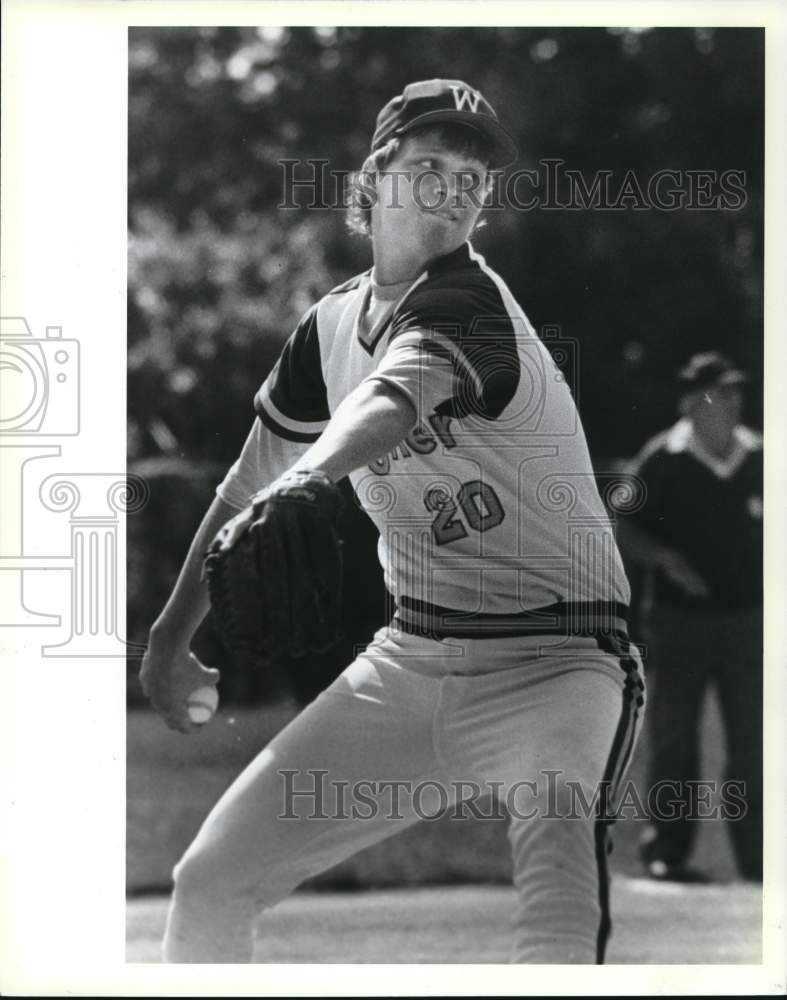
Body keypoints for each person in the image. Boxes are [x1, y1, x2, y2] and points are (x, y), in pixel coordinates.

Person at [140, 78, 645, 964]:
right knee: (210, 879)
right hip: (409, 661)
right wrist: (168, 637)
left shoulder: (472, 305)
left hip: (557, 662)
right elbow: (241, 487)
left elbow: (393, 396)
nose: (454, 190)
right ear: (376, 174)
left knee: (558, 889)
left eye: (472, 178)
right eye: (431, 166)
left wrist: (310, 478)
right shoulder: (329, 326)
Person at [618, 351, 763, 882]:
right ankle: (667, 851)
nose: (730, 402)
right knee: (675, 739)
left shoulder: (761, 456)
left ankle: (760, 860)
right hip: (680, 622)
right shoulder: (663, 458)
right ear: (690, 403)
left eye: (734, 392)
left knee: (755, 742)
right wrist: (666, 559)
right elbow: (624, 528)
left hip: (750, 621)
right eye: (717, 392)